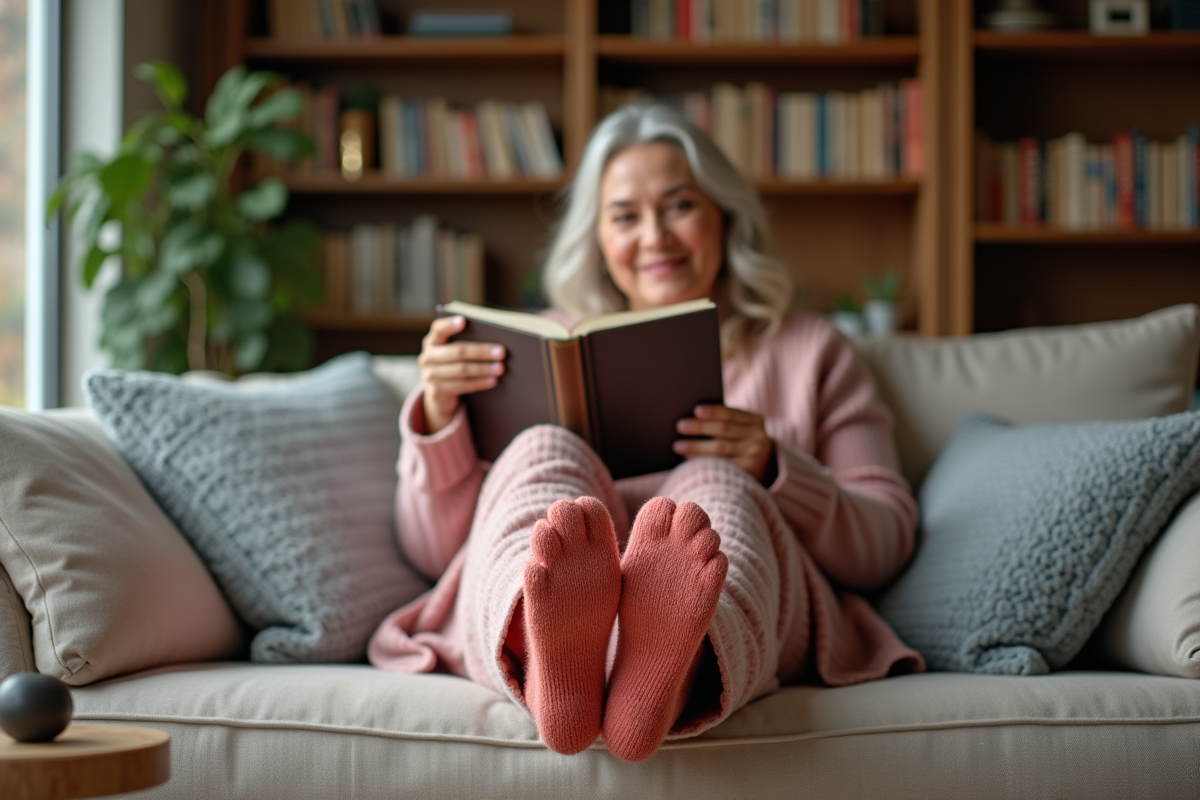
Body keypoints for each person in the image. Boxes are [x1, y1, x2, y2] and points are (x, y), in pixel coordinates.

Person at [369, 103, 924, 763]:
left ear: (724, 215)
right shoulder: (538, 347)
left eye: (679, 206)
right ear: (598, 238)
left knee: (714, 486)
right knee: (545, 453)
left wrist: (777, 467)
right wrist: (438, 419)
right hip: (547, 598)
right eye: (626, 216)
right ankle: (552, 662)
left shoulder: (809, 350)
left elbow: (886, 540)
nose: (655, 237)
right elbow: (433, 553)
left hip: (739, 603)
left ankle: (676, 664)